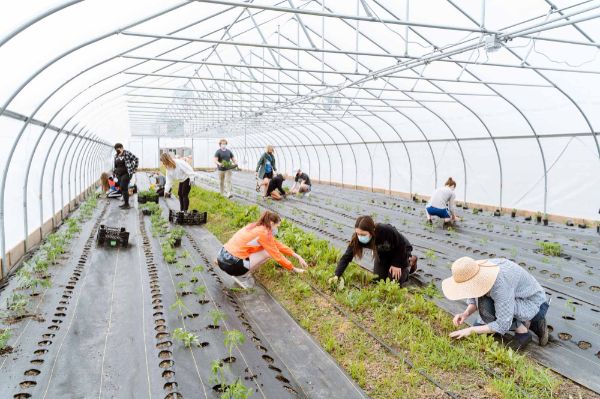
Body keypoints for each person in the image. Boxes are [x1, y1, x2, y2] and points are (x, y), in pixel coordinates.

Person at [442, 257, 549, 350]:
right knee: (483, 318)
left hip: (534, 303)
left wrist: (470, 330)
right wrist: (465, 314)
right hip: (512, 298)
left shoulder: (500, 283)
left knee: (486, 313)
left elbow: (503, 324)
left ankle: (524, 330)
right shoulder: (478, 272)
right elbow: (474, 296)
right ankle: (523, 322)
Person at [216, 210, 308, 288]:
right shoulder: (263, 233)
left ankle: (238, 271)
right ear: (272, 223)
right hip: (232, 265)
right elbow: (277, 255)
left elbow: (277, 244)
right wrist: (293, 268)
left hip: (221, 257)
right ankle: (242, 277)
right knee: (267, 253)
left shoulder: (255, 226)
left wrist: (297, 256)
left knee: (263, 249)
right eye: (277, 226)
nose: (277, 229)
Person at [331, 216, 418, 286]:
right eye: (358, 233)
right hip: (383, 253)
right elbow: (346, 257)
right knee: (378, 280)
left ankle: (410, 262)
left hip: (401, 251)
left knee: (394, 282)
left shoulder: (385, 230)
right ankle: (390, 266)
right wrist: (336, 275)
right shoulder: (357, 239)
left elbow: (401, 243)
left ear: (372, 231)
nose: (360, 236)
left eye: (363, 234)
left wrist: (396, 264)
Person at [113, 143, 139, 209]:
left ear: (121, 147)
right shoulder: (116, 155)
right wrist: (114, 172)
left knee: (123, 186)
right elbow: (115, 165)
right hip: (119, 174)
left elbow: (136, 159)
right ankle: (125, 203)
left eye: (118, 149)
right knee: (122, 188)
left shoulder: (127, 153)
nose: (117, 150)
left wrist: (134, 168)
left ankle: (127, 204)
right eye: (116, 149)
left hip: (126, 173)